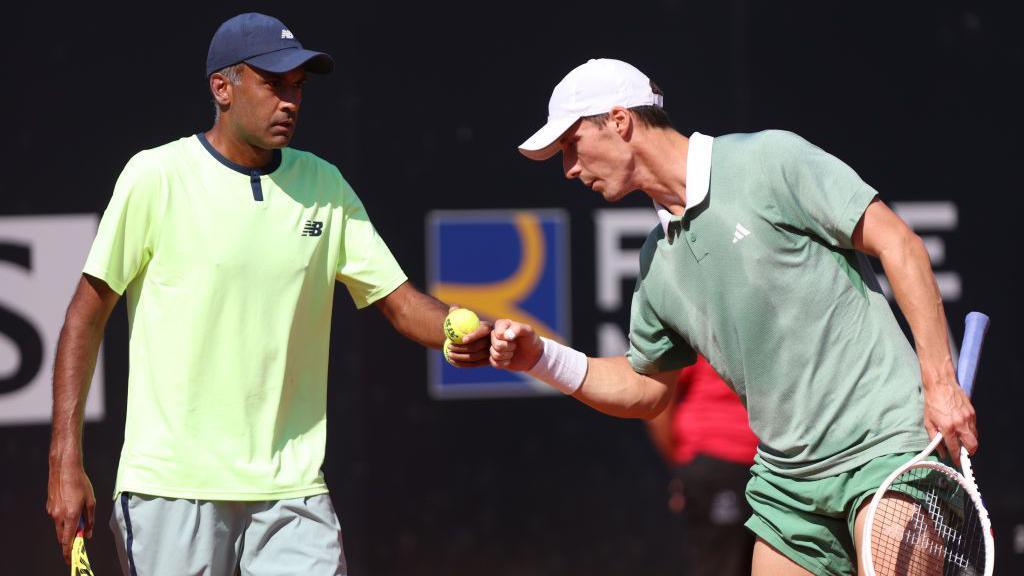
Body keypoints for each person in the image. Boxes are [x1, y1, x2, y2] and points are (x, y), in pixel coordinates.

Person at [488, 58, 977, 575]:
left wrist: (940, 384)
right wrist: (540, 357)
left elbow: (898, 243)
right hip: (789, 485)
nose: (569, 168)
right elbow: (647, 389)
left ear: (619, 121)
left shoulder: (768, 160)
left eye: (571, 144)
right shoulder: (657, 264)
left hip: (883, 447)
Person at [45, 12, 489, 575]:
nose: (290, 102)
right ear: (221, 88)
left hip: (292, 492)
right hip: (172, 489)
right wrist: (65, 459)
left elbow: (401, 304)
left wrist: (459, 331)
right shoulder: (155, 176)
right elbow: (85, 317)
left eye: (297, 87)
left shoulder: (324, 185)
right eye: (273, 83)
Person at [646, 355, 757, 576]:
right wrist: (684, 466)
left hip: (772, 466)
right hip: (716, 463)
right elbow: (657, 405)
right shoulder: (699, 325)